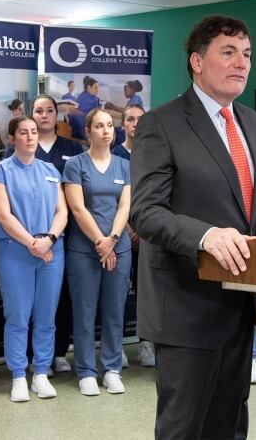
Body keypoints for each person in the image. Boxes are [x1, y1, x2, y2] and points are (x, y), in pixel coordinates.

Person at [130, 15, 256, 439]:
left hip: (241, 304)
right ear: (197, 62)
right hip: (186, 306)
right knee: (184, 429)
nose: (241, 62)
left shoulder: (255, 125)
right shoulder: (162, 124)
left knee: (229, 425)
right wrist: (205, 235)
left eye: (246, 54)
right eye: (228, 52)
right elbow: (146, 212)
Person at [0, 116, 69, 402]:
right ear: (13, 138)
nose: (30, 137)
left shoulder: (49, 170)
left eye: (34, 132)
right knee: (18, 316)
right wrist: (33, 243)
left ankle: (42, 373)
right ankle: (19, 376)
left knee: (46, 316)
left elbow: (62, 212)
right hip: (16, 252)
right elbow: (3, 216)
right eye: (23, 132)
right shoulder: (1, 172)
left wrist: (49, 240)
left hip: (51, 251)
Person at [63, 109, 132, 396]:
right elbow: (77, 209)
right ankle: (87, 372)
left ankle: (112, 369)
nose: (106, 131)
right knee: (85, 311)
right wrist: (100, 242)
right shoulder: (75, 165)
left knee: (115, 310)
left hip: (119, 247)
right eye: (99, 126)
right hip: (84, 250)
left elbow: (125, 207)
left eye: (110, 126)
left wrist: (113, 240)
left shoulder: (123, 166)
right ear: (88, 131)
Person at [109, 104, 156, 367]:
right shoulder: (114, 155)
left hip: (150, 233)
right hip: (120, 233)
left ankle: (147, 345)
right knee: (116, 295)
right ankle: (116, 347)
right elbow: (110, 198)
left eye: (140, 119)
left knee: (148, 292)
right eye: (130, 119)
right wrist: (127, 228)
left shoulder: (154, 153)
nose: (135, 123)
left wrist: (144, 228)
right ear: (123, 125)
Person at [71, 76, 101, 141]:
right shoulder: (95, 100)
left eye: (98, 88)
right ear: (89, 87)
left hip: (73, 134)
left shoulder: (79, 97)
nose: (97, 90)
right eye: (95, 88)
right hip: (85, 135)